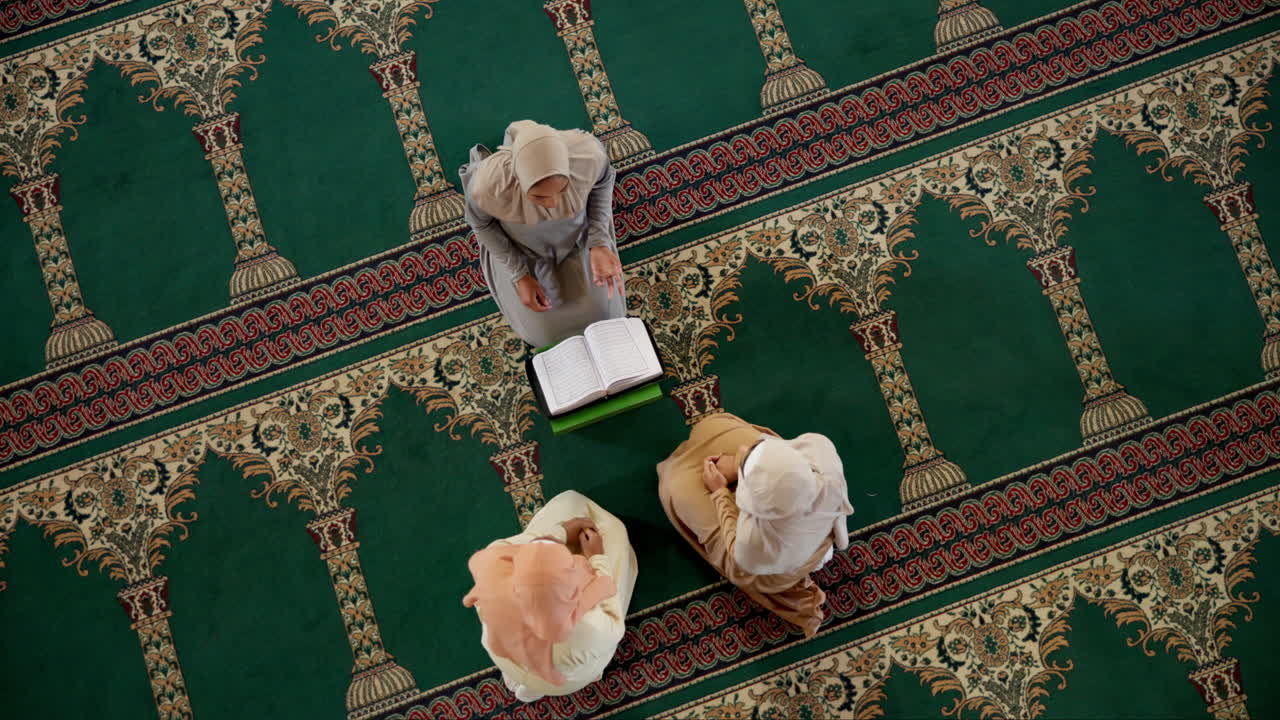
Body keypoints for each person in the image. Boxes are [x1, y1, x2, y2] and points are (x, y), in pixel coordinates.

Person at [656, 413, 853, 638]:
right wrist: (742, 462)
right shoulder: (820, 450)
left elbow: (737, 561)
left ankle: (809, 565)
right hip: (812, 527)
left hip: (779, 563)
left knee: (673, 483)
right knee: (711, 425)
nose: (740, 451)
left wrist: (720, 492)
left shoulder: (752, 545)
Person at [459, 120, 626, 348]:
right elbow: (482, 226)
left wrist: (599, 241)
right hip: (524, 250)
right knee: (544, 337)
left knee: (606, 319)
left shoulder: (589, 156)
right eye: (539, 197)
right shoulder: (488, 189)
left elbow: (603, 183)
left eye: (563, 190)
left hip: (577, 240)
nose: (554, 204)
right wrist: (519, 274)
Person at [463, 490, 638, 702]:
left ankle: (521, 679)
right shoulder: (592, 628)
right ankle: (535, 684)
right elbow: (612, 618)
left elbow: (518, 547)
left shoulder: (493, 568)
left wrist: (561, 533)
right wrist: (597, 558)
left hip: (505, 653)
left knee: (569, 504)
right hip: (563, 676)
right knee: (614, 533)